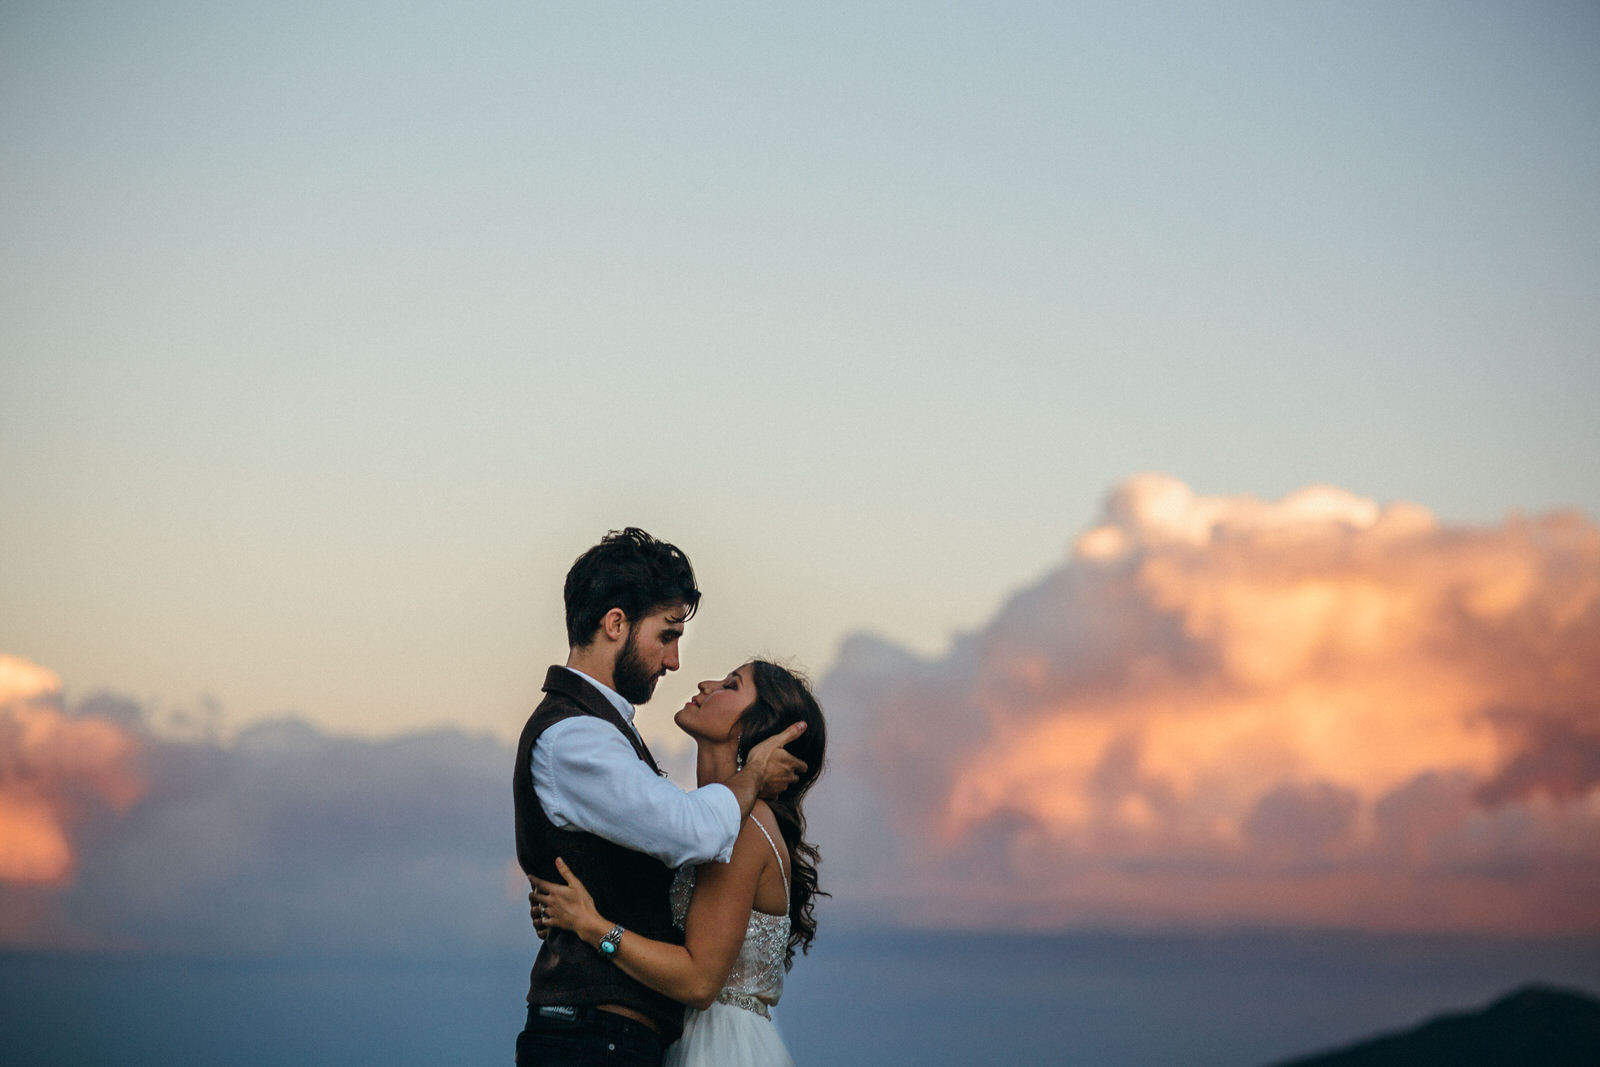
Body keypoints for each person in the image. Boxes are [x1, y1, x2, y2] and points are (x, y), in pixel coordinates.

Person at [514, 529, 808, 1065]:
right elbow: (690, 831)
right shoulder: (576, 735)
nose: (677, 665)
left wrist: (592, 923)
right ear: (616, 623)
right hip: (592, 1036)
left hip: (627, 1037)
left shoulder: (603, 732)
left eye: (729, 685)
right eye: (667, 635)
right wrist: (753, 775)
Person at [531, 660, 827, 1066]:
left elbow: (700, 981)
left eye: (730, 685)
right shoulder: (698, 825)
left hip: (718, 1048)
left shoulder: (745, 828)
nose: (706, 683)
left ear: (752, 727)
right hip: (677, 1034)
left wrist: (590, 925)